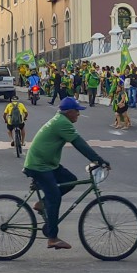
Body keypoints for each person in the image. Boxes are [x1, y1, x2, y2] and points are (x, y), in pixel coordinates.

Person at [23, 97, 110, 250]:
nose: (78, 114)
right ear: (69, 112)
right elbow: (79, 144)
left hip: (48, 164)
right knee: (55, 197)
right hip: (39, 166)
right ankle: (52, 238)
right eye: (77, 111)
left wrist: (97, 160)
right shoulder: (62, 123)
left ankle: (42, 203)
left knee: (70, 179)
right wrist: (99, 160)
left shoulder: (60, 120)